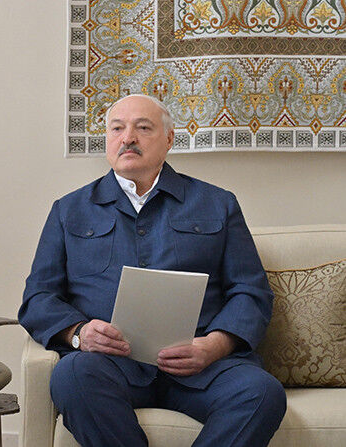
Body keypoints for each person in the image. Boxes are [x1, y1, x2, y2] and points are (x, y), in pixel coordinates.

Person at [19, 95, 287, 446]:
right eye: (117, 128)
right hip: (110, 366)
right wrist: (80, 333)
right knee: (71, 377)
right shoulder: (68, 211)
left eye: (143, 127)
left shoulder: (218, 203)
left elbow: (251, 292)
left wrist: (213, 346)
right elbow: (38, 298)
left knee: (262, 393)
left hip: (203, 367)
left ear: (169, 139)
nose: (128, 137)